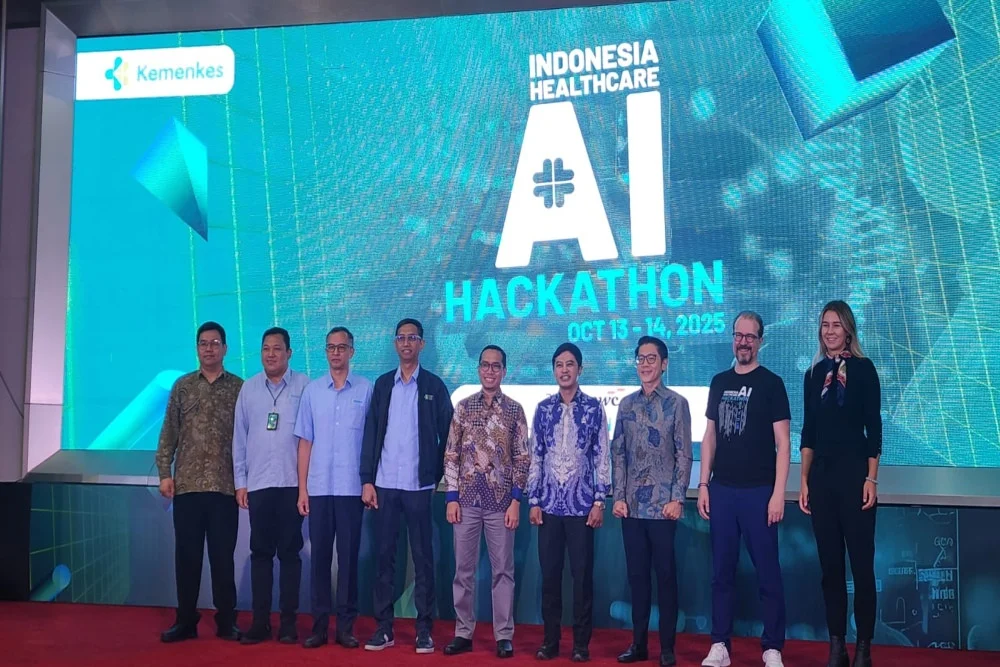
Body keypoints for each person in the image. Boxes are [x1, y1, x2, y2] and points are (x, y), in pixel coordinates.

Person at [697, 312, 790, 667]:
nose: (744, 342)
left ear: (761, 341)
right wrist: (703, 483)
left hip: (759, 493)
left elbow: (784, 444)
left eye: (750, 336)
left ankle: (772, 648)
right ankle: (719, 644)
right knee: (721, 573)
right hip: (722, 490)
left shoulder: (772, 384)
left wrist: (778, 493)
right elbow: (710, 436)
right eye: (739, 335)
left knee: (768, 573)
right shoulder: (719, 381)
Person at [359, 318, 454, 654]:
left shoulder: (434, 386)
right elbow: (371, 433)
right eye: (401, 338)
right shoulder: (383, 385)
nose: (406, 343)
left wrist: (435, 475)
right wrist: (367, 480)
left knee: (424, 560)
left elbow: (449, 436)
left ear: (422, 344)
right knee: (384, 557)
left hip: (419, 486)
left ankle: (424, 630)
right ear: (395, 344)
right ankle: (383, 628)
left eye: (413, 338)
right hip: (385, 484)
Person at [799, 301, 881, 667]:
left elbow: (873, 428)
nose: (829, 331)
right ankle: (837, 647)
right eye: (824, 325)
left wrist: (871, 478)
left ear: (848, 330)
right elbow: (809, 432)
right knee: (830, 569)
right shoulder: (813, 374)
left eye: (836, 325)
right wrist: (803, 481)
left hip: (855, 479)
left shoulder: (864, 370)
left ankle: (863, 647)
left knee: (861, 567)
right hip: (822, 481)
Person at [155, 321, 244, 643]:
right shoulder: (182, 386)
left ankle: (227, 621)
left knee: (223, 559)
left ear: (225, 348)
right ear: (197, 349)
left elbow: (246, 438)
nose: (209, 348)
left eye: (215, 343)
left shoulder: (239, 388)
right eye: (203, 343)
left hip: (224, 488)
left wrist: (245, 480)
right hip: (187, 487)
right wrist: (164, 473)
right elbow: (169, 432)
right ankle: (186, 621)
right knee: (187, 558)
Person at [443, 345, 530, 660]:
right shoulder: (463, 407)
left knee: (502, 571)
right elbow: (451, 453)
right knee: (463, 570)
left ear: (504, 371)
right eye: (485, 365)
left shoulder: (515, 410)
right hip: (465, 502)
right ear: (479, 369)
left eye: (496, 366)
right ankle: (463, 632)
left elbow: (522, 458)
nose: (490, 371)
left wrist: (516, 500)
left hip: (501, 503)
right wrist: (451, 497)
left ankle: (503, 635)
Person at [528, 342, 611, 663]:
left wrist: (599, 501)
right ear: (554, 370)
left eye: (570, 364)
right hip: (548, 506)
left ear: (580, 369)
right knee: (549, 577)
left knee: (582, 578)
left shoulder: (593, 408)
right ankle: (550, 641)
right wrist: (534, 500)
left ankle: (580, 644)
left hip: (582, 507)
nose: (564, 370)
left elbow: (602, 456)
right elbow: (536, 456)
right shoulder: (543, 409)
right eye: (559, 365)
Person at [612, 336, 692, 667]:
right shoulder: (626, 405)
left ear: (664, 364)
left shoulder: (677, 403)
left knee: (666, 578)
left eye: (651, 358)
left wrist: (678, 498)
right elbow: (618, 453)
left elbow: (684, 454)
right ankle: (639, 644)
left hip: (663, 508)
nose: (645, 364)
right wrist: (618, 497)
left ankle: (668, 648)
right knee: (637, 578)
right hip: (631, 507)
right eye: (640, 359)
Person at [295, 326, 372, 650]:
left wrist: (369, 483)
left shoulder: (366, 389)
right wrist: (302, 489)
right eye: (331, 347)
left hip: (351, 488)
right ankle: (318, 627)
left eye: (342, 347)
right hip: (319, 489)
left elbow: (372, 441)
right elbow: (305, 442)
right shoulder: (312, 392)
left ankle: (346, 627)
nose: (336, 353)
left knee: (349, 560)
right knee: (320, 561)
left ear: (352, 351)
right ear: (325, 352)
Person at [232, 327, 310, 644]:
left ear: (289, 353)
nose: (271, 354)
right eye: (266, 348)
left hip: (292, 484)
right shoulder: (248, 389)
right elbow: (239, 439)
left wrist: (307, 486)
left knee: (290, 555)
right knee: (261, 554)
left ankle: (288, 624)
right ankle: (260, 623)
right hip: (259, 484)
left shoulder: (305, 386)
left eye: (277, 349)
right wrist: (241, 482)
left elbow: (311, 439)